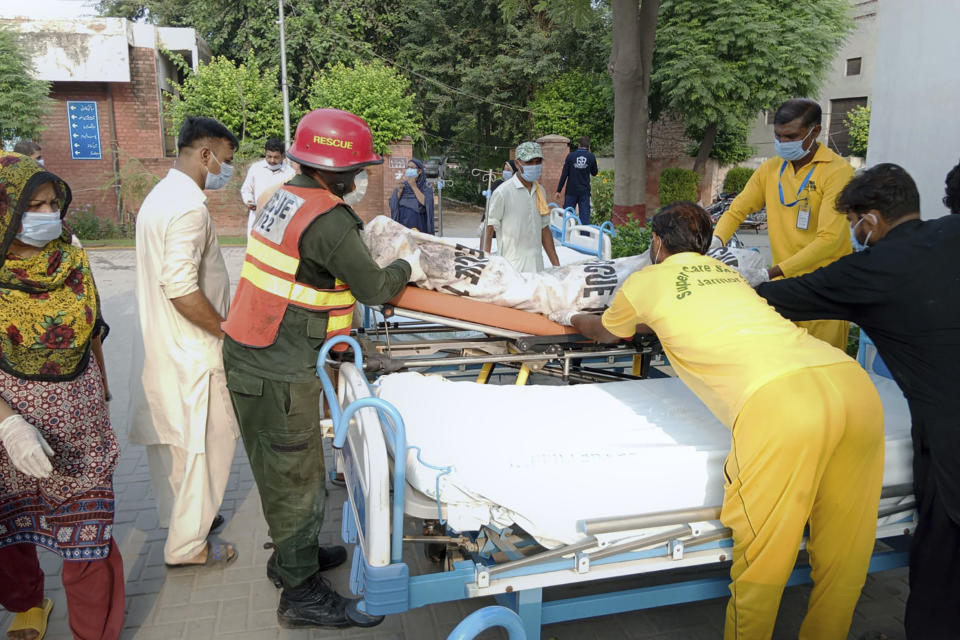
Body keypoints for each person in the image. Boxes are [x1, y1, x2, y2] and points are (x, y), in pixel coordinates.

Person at [559, 202, 884, 640]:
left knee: (763, 566)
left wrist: (570, 317)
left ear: (656, 244)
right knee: (844, 555)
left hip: (782, 404)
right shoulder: (730, 276)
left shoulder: (646, 280)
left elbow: (606, 331)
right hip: (853, 387)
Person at [221, 108, 421, 630]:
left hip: (255, 350)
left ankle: (295, 558)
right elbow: (376, 289)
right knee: (297, 478)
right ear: (335, 171)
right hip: (275, 363)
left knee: (278, 467)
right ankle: (301, 593)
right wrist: (409, 263)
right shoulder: (328, 218)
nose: (361, 179)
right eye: (358, 170)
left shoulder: (281, 196)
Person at [754, 164, 960, 639]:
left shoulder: (873, 269)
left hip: (952, 446)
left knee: (941, 571)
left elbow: (772, 299)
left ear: (869, 220)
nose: (854, 233)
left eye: (853, 223)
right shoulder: (952, 234)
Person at [0, 152, 124, 639]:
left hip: (81, 423)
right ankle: (27, 602)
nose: (47, 214)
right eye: (33, 205)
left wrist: (107, 389)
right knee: (11, 531)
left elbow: (93, 329)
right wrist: (9, 425)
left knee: (89, 537)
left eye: (53, 203)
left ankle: (95, 633)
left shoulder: (72, 257)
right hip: (11, 431)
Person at [129, 116, 240, 568]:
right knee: (206, 449)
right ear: (205, 154)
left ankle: (185, 521)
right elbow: (180, 286)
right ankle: (187, 547)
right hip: (193, 352)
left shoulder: (160, 197)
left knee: (176, 449)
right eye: (226, 161)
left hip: (164, 348)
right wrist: (223, 328)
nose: (227, 171)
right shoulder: (189, 208)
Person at [712, 98, 854, 350]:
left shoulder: (837, 172)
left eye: (792, 136)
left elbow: (829, 240)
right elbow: (737, 209)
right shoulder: (771, 169)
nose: (784, 143)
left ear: (815, 132)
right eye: (778, 136)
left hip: (824, 289)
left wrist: (770, 273)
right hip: (785, 289)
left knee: (822, 369)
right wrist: (715, 243)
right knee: (784, 362)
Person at [483, 141, 561, 273]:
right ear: (518, 164)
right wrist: (484, 265)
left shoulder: (540, 191)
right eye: (529, 162)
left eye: (538, 162)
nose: (534, 166)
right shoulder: (503, 192)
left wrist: (557, 267)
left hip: (536, 267)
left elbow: (544, 229)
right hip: (512, 269)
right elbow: (489, 229)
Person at [240, 138, 296, 234]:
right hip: (256, 218)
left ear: (283, 156)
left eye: (276, 157)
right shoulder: (256, 168)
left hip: (279, 222)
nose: (272, 160)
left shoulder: (290, 173)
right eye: (269, 156)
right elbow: (246, 189)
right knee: (255, 247)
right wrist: (249, 200)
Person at [555, 135, 598, 225]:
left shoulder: (570, 156)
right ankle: (584, 236)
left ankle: (567, 235)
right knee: (584, 216)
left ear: (579, 145)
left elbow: (564, 174)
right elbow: (594, 173)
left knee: (567, 215)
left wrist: (558, 190)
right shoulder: (591, 157)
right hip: (584, 191)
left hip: (571, 191)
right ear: (588, 146)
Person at [388, 157, 435, 233]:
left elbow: (426, 203)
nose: (409, 169)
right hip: (402, 223)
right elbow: (392, 204)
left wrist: (413, 186)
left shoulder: (426, 186)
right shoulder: (403, 185)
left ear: (419, 171)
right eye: (408, 167)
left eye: (412, 168)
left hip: (419, 224)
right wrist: (399, 193)